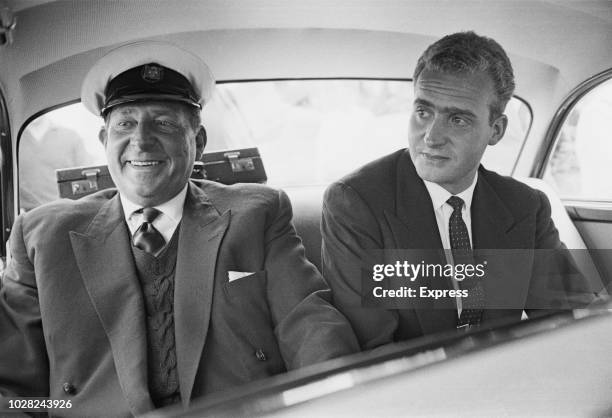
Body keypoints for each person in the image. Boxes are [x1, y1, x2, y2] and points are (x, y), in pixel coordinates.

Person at [0, 41, 359, 416]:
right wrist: (58, 409)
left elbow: (308, 323)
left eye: (164, 122)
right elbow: (12, 387)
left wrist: (337, 401)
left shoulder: (257, 213)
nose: (140, 140)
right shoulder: (42, 236)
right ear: (105, 141)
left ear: (198, 143)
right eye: (125, 123)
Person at [321, 31, 595, 351]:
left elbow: (571, 323)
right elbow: (375, 352)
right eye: (423, 112)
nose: (431, 137)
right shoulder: (356, 203)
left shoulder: (525, 206)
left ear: (496, 130)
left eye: (457, 120)